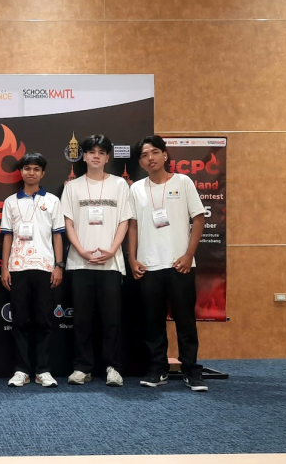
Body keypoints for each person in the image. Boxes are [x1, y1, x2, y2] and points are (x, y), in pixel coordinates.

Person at [127, 135, 208, 392]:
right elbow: (133, 225)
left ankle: (191, 370)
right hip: (149, 265)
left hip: (179, 263)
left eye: (154, 152)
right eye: (144, 155)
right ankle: (157, 369)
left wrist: (188, 255)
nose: (149, 158)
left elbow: (198, 218)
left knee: (185, 321)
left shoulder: (183, 182)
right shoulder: (136, 189)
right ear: (140, 162)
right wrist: (132, 258)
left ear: (164, 155)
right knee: (153, 322)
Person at [60, 134, 132, 387]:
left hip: (111, 263)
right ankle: (83, 367)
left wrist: (112, 250)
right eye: (92, 152)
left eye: (101, 152)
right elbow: (67, 222)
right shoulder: (72, 187)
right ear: (84, 156)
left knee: (111, 319)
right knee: (82, 320)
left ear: (108, 157)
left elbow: (124, 220)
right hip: (80, 262)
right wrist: (81, 250)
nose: (96, 156)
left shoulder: (120, 185)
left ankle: (113, 367)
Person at [0, 153, 65, 388]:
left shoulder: (53, 201)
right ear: (21, 172)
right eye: (27, 168)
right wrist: (5, 267)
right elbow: (7, 237)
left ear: (43, 173)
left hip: (45, 267)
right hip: (18, 268)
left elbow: (57, 236)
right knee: (19, 321)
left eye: (36, 169)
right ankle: (21, 370)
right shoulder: (10, 202)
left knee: (44, 321)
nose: (31, 173)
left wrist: (58, 266)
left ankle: (43, 370)